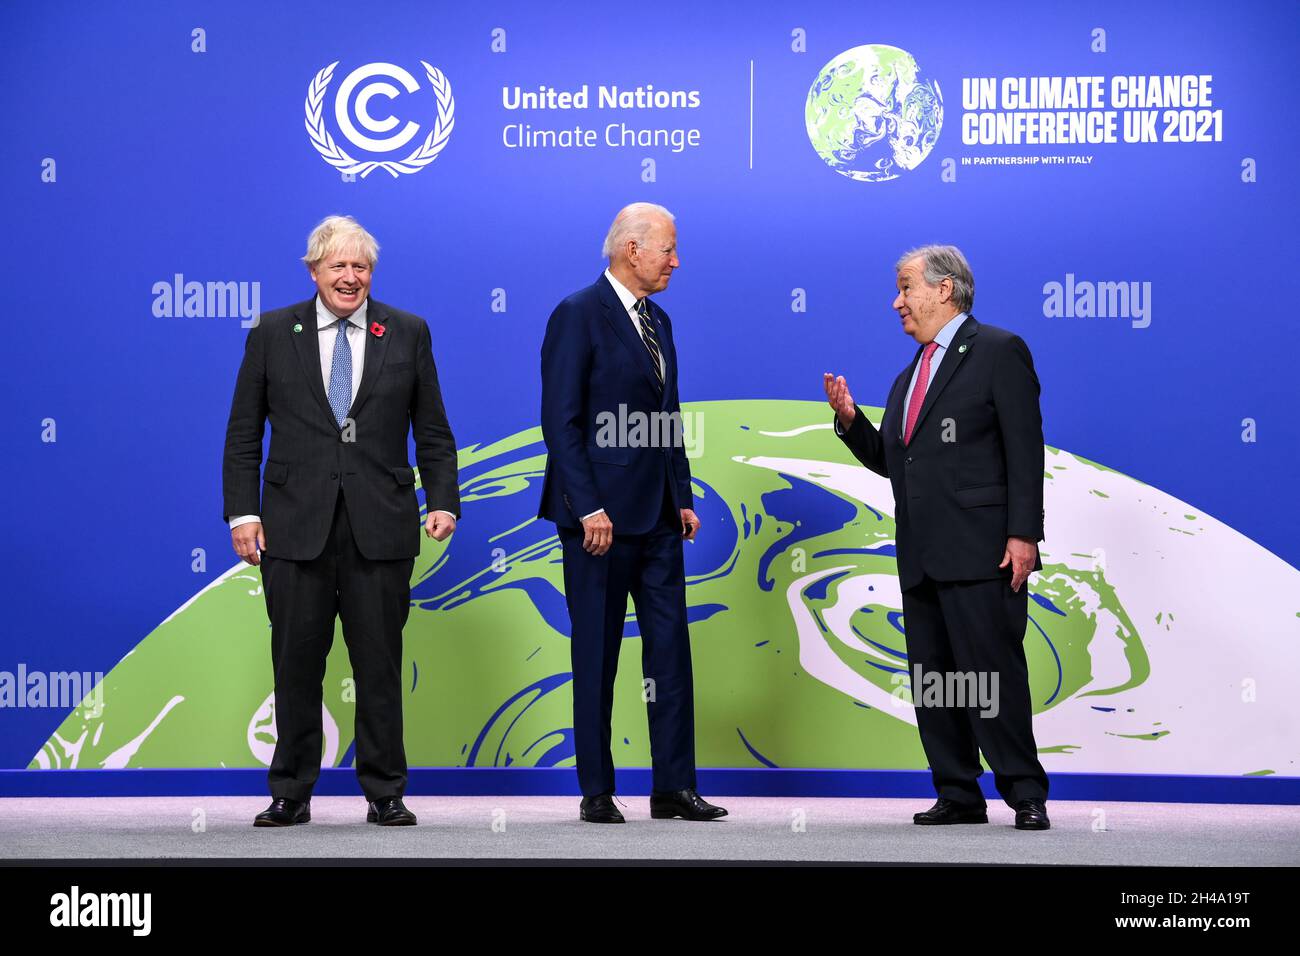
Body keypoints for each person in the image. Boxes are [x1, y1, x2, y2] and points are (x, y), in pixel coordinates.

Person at [223, 215, 460, 827]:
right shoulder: (273, 331)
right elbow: (244, 433)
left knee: (378, 664)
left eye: (360, 267)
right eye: (338, 267)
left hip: (380, 529)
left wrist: (442, 499)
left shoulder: (407, 332)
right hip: (292, 530)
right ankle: (291, 793)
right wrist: (243, 514)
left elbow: (431, 430)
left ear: (371, 273)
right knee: (294, 665)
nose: (350, 278)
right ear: (313, 271)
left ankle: (385, 791)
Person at [823, 244, 1051, 830]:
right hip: (921, 558)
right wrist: (852, 424)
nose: (895, 301)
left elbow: (1025, 452)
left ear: (943, 289)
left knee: (993, 679)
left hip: (982, 553)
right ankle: (958, 792)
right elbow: (896, 461)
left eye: (905, 288)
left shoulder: (1000, 351)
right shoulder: (909, 375)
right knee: (936, 684)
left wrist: (1024, 534)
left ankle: (1025, 793)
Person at [538, 202, 726, 823]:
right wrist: (586, 505)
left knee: (671, 656)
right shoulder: (576, 315)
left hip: (659, 521)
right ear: (631, 250)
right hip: (597, 525)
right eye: (668, 249)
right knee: (596, 656)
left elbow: (666, 417)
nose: (677, 260)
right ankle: (596, 792)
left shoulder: (660, 321)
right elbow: (561, 424)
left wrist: (683, 495)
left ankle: (674, 788)